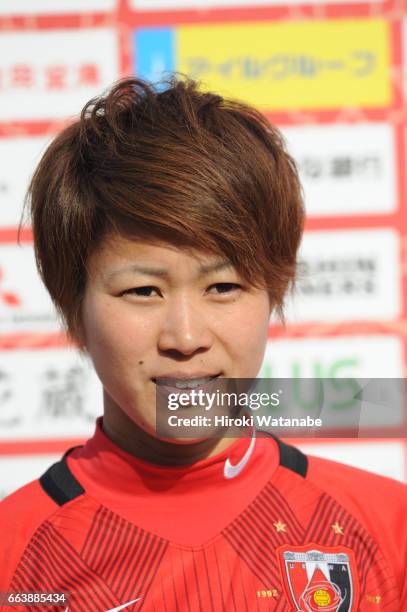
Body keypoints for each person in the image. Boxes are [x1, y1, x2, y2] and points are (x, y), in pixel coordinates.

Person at [0, 76, 406, 612]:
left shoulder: (387, 528)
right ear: (73, 309)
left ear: (274, 293)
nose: (186, 338)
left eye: (223, 287)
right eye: (143, 290)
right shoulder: (16, 555)